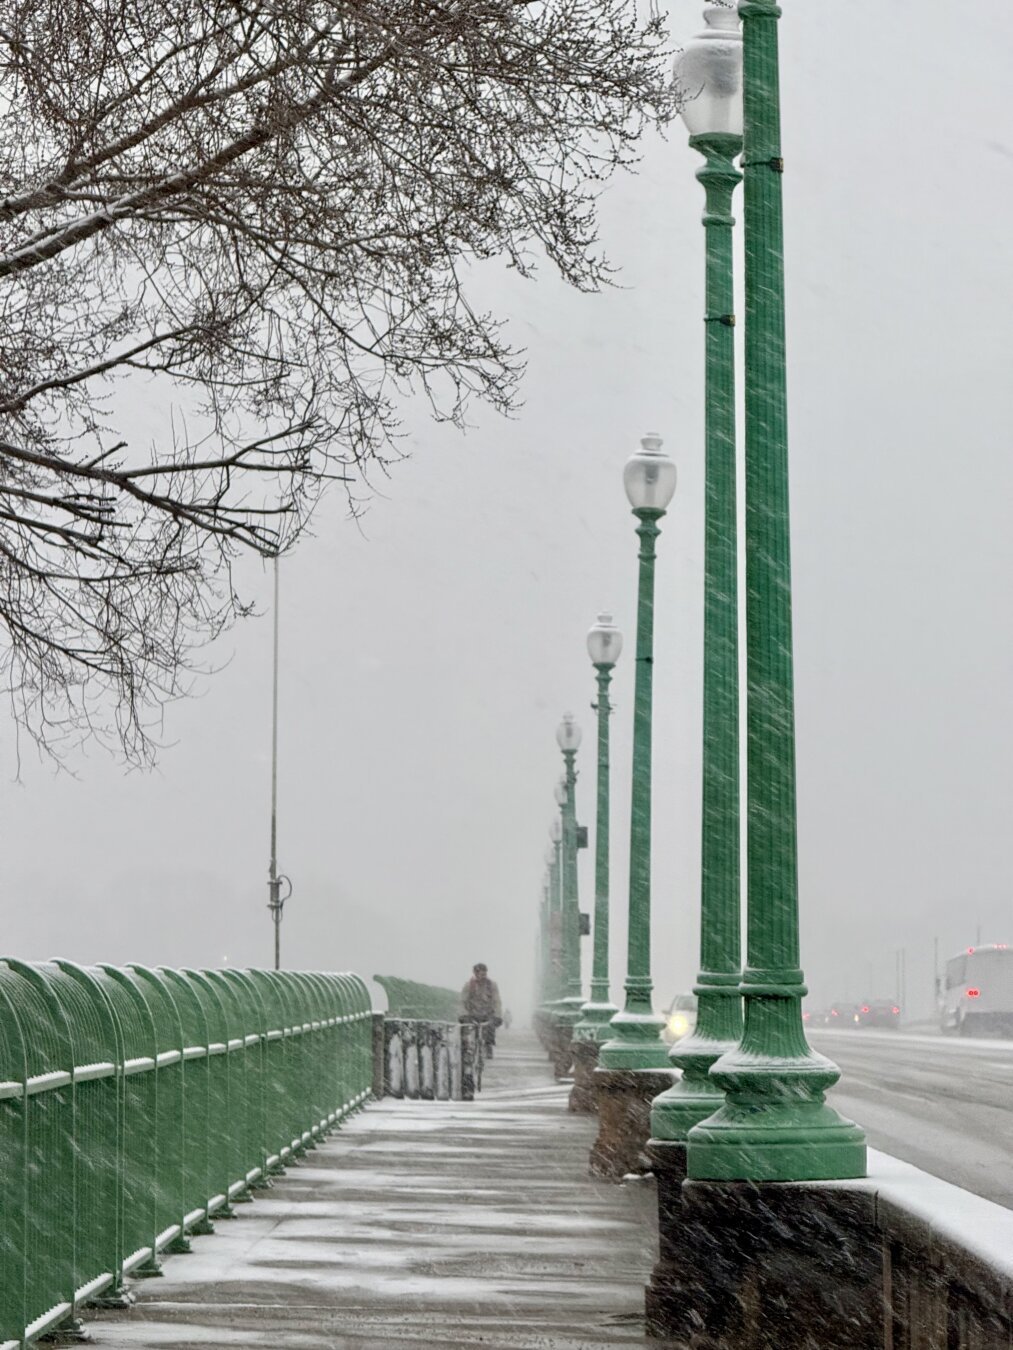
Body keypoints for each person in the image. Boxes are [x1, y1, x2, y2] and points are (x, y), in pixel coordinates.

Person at [460, 963, 503, 1055]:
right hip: (473, 1014)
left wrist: (497, 1015)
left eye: (485, 974)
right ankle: (466, 1047)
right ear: (475, 973)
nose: (483, 976)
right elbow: (463, 1001)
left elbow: (497, 1001)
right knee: (466, 1029)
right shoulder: (469, 985)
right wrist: (464, 1014)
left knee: (490, 1027)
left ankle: (489, 1046)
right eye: (481, 974)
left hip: (487, 1014)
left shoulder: (492, 985)